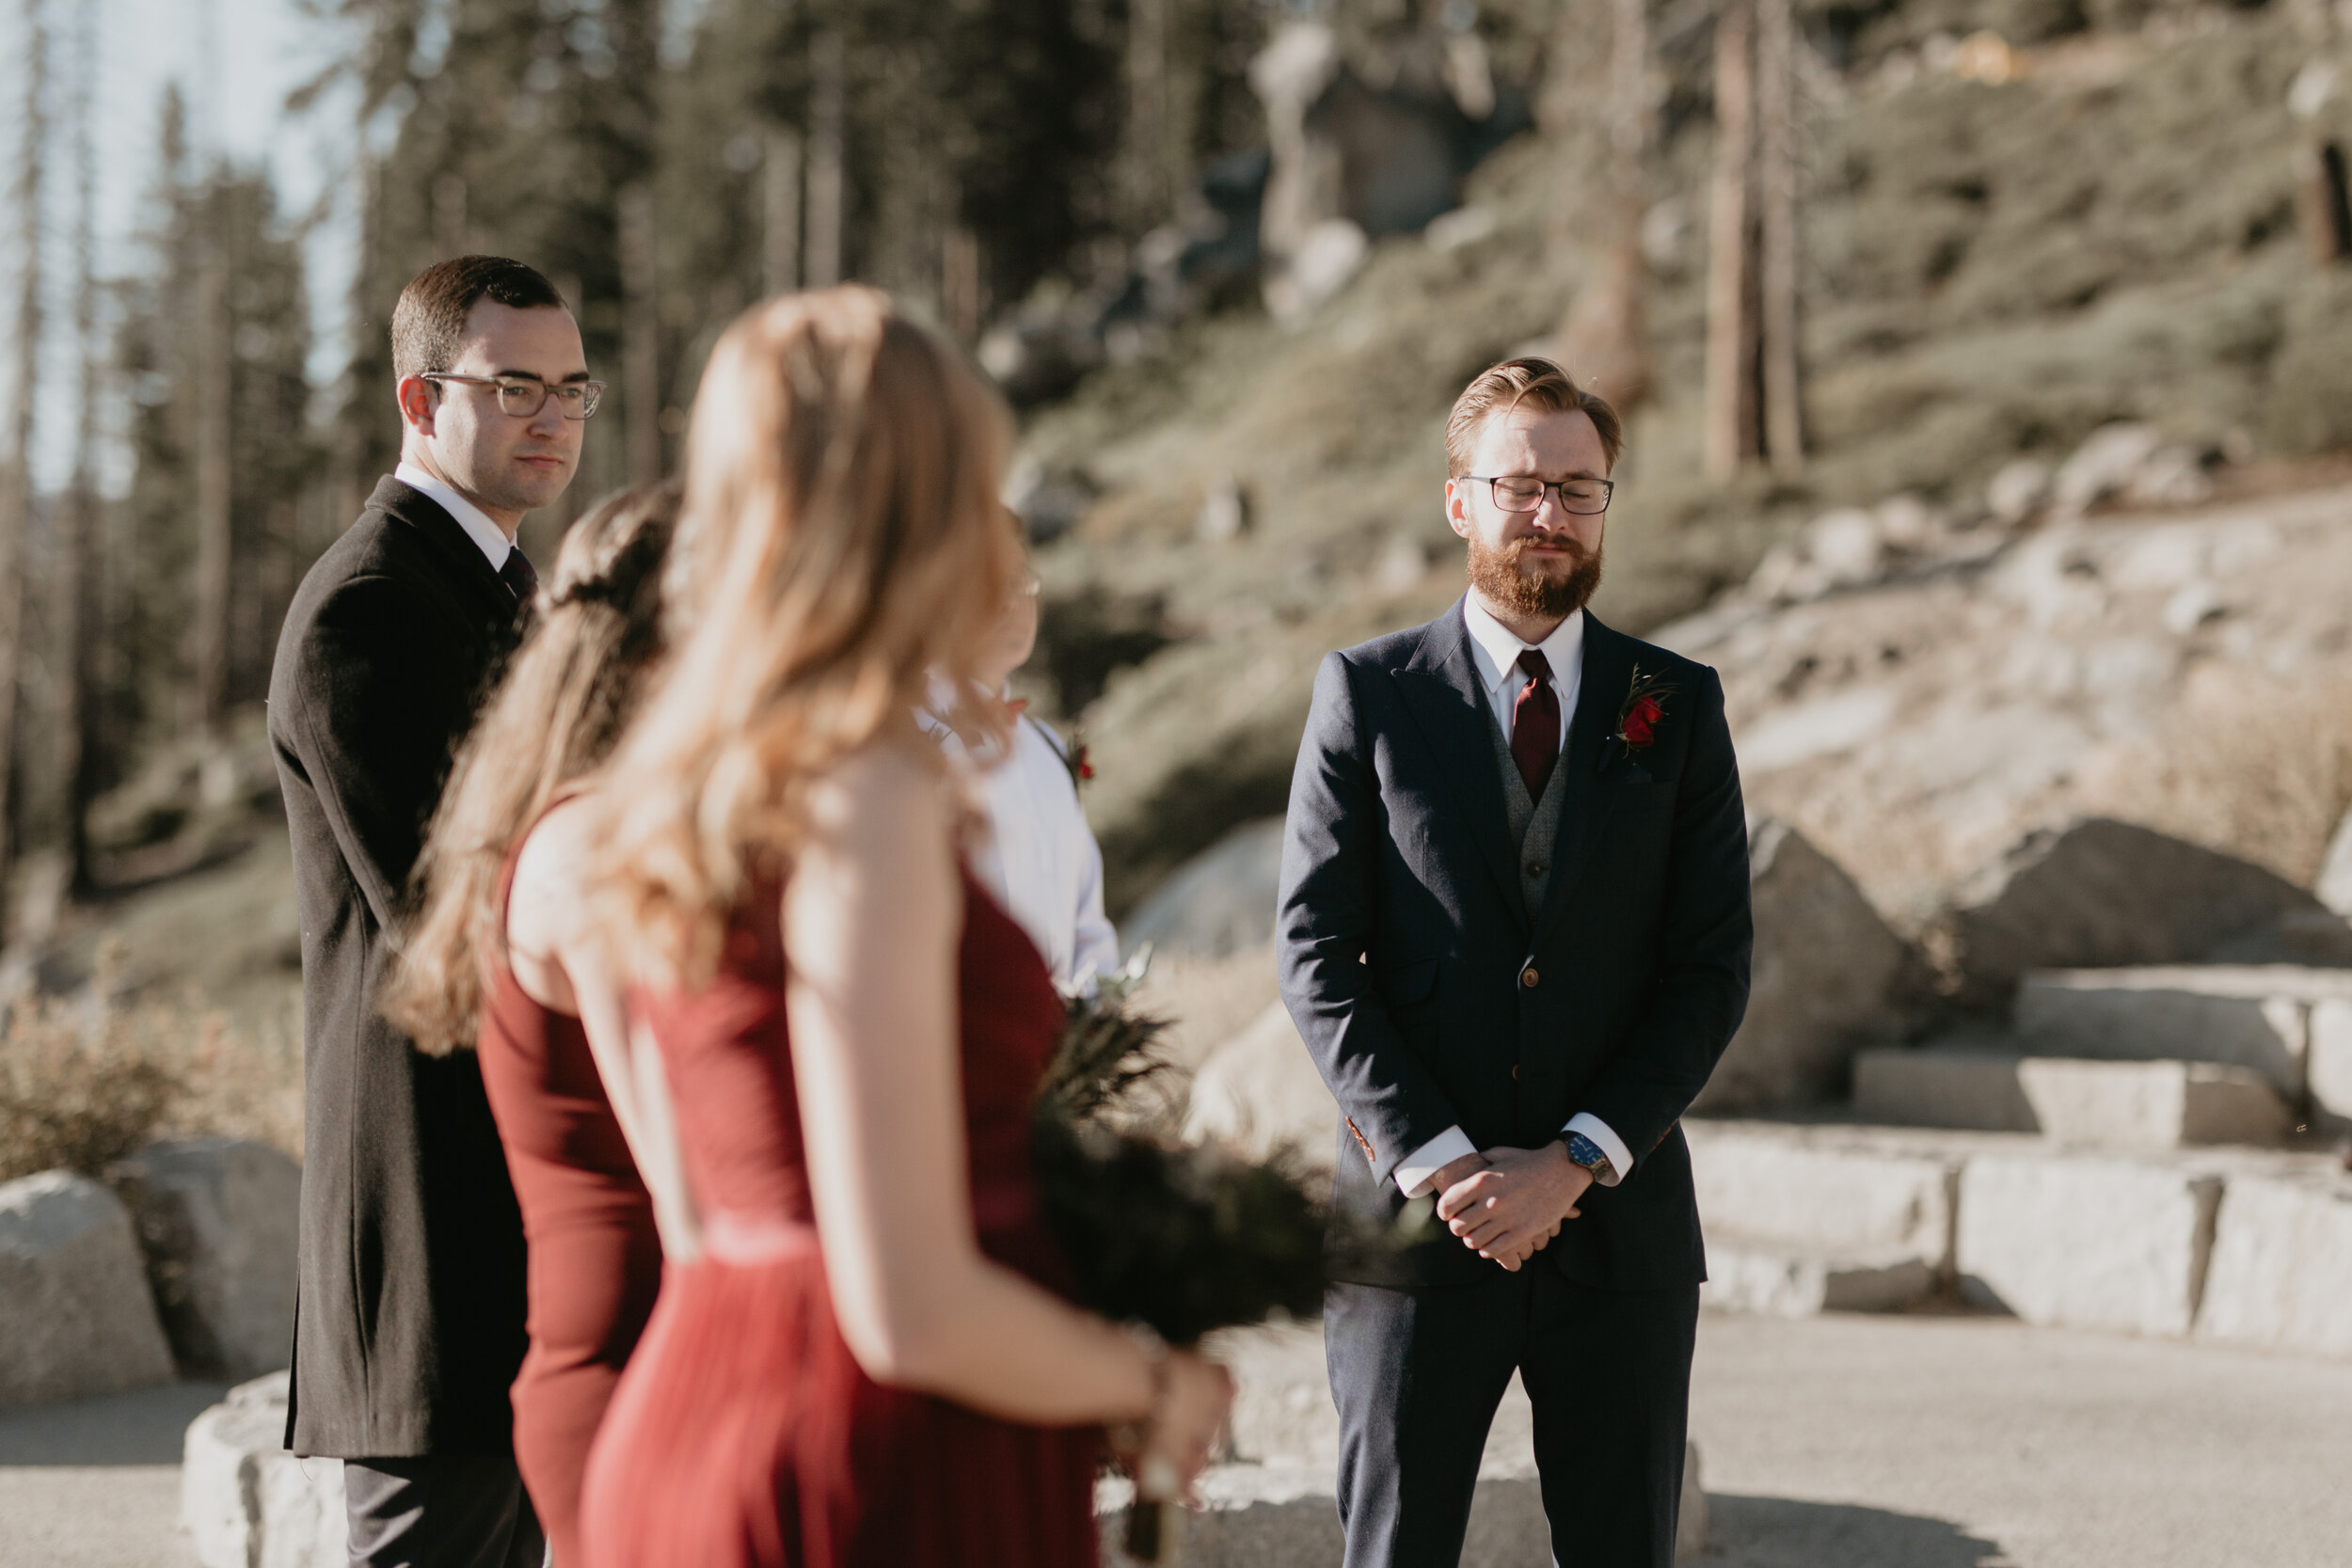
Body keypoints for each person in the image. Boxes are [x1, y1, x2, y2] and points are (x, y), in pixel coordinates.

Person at [576, 285, 1232, 1568]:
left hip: (693, 1401)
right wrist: (1146, 1380)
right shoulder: (860, 792)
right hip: (865, 1456)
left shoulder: (676, 782)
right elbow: (908, 1305)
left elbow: (700, 1210)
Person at [1276, 356, 1753, 1567]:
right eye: (1521, 484)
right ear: (1459, 501)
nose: (1549, 513)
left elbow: (1709, 964)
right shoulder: (1367, 691)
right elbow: (1318, 954)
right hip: (1413, 1227)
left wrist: (1579, 1157)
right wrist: (1444, 1165)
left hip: (1618, 1224)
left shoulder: (1676, 702)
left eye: (1577, 488)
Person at [268, 253, 600, 1568]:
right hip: (433, 1224)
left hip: (532, 1224)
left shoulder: (512, 593)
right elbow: (455, 912)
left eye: (574, 388)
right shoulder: (370, 611)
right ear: (420, 397)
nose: (554, 417)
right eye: (515, 383)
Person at [381, 481, 688, 1568]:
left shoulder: (627, 829)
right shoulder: (594, 852)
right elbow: (692, 1172)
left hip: (663, 1346)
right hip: (647, 1363)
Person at [922, 526, 1120, 993]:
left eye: (1022, 581)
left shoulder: (1047, 748)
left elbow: (1087, 917)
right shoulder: (915, 747)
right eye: (991, 582)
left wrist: (1092, 1013)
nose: (1013, 602)